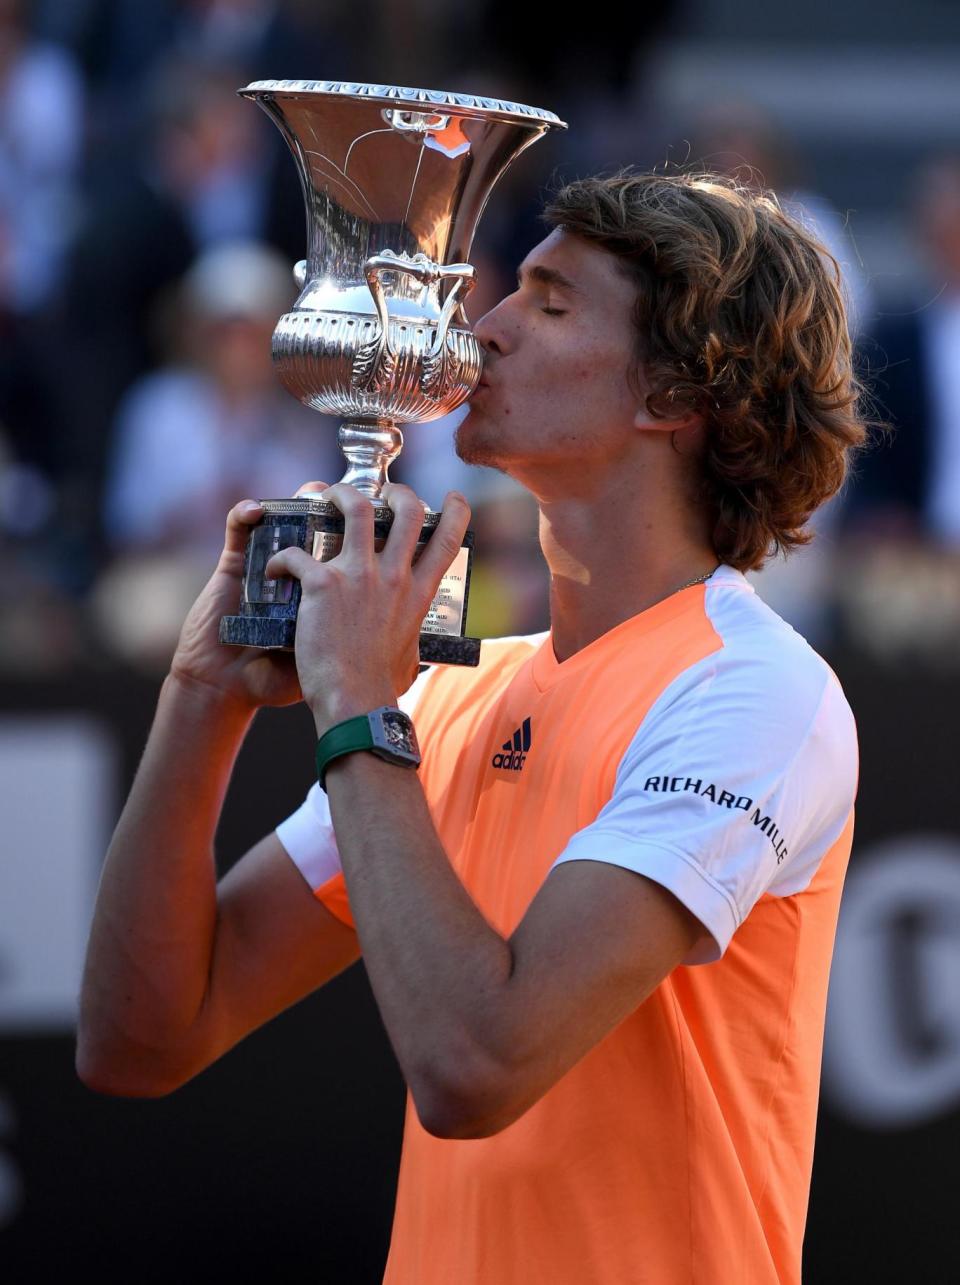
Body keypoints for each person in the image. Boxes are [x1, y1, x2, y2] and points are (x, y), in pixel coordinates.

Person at [77, 171, 866, 1285]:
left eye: (546, 304)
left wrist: (355, 703)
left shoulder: (758, 694)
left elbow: (475, 1065)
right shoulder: (442, 698)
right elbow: (139, 1041)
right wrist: (199, 700)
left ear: (675, 393)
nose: (481, 329)